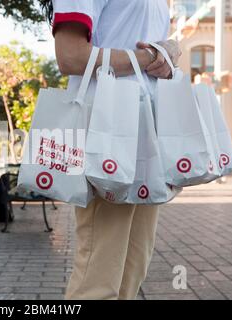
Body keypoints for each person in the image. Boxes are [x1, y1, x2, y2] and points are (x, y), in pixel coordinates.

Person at [45, 0, 182, 300]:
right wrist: (147, 57)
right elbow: (70, 55)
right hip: (106, 132)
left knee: (131, 272)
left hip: (146, 132)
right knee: (99, 277)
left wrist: (169, 51)